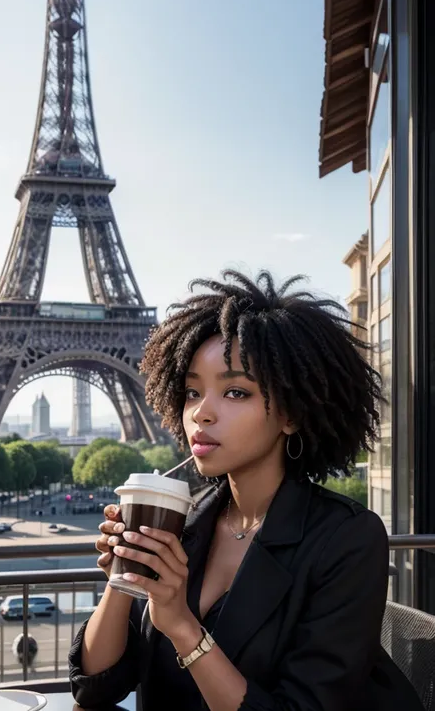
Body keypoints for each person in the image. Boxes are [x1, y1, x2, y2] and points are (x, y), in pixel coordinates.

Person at [69, 271, 424, 711]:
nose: (201, 413)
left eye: (235, 392)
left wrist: (182, 626)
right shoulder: (185, 523)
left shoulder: (348, 539)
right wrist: (124, 579)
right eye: (192, 392)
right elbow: (95, 689)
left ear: (292, 414)